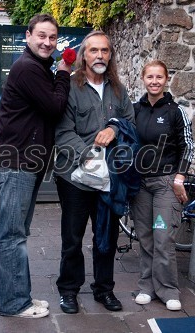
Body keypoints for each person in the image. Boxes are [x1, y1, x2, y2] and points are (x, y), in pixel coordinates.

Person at [0, 13, 72, 319]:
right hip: (19, 162)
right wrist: (64, 72)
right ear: (28, 36)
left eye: (52, 37)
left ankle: (20, 297)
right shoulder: (28, 69)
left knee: (17, 233)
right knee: (12, 235)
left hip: (27, 161)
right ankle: (14, 304)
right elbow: (54, 106)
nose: (47, 42)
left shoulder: (36, 67)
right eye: (41, 35)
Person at [54, 31, 134, 314]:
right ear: (83, 55)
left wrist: (115, 128)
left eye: (104, 51)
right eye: (93, 51)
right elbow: (62, 131)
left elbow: (130, 121)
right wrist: (87, 155)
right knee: (72, 238)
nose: (99, 56)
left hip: (108, 179)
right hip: (74, 177)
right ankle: (69, 291)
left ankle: (104, 289)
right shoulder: (71, 88)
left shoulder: (118, 90)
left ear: (110, 55)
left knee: (107, 237)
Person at [131, 60, 194, 311]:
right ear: (143, 79)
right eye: (150, 77)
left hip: (166, 183)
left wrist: (180, 177)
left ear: (166, 79)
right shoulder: (135, 109)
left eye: (159, 77)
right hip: (140, 185)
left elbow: (188, 146)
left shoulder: (175, 111)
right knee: (145, 238)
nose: (154, 81)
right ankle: (146, 286)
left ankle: (168, 290)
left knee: (163, 238)